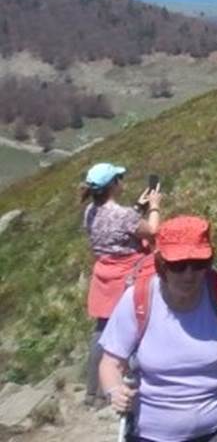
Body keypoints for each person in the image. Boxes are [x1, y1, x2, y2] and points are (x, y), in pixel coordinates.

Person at [98, 215, 217, 442]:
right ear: (162, 265)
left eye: (199, 264)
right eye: (178, 265)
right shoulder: (138, 300)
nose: (189, 275)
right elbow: (111, 363)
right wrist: (114, 391)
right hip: (152, 434)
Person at [82, 162, 161, 407]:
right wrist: (155, 207)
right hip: (127, 276)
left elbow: (115, 225)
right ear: (113, 185)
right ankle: (132, 382)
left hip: (103, 274)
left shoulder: (90, 212)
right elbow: (153, 231)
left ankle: (93, 391)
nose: (122, 180)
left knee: (102, 329)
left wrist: (138, 207)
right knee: (136, 325)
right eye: (119, 177)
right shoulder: (124, 215)